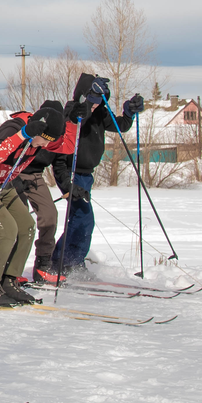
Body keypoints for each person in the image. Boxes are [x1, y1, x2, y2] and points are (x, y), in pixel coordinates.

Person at [0, 104, 71, 306]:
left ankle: (9, 280)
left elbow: (68, 146)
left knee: (26, 226)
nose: (44, 145)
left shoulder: (42, 140)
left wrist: (77, 118)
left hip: (3, 183)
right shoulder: (14, 127)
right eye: (44, 139)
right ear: (38, 129)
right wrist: (24, 134)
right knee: (5, 230)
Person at [53, 74, 143, 280]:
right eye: (92, 101)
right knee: (83, 219)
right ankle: (63, 263)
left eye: (100, 101)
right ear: (84, 97)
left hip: (86, 175)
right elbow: (71, 127)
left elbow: (120, 125)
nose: (95, 106)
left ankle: (70, 262)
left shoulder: (100, 112)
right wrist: (86, 105)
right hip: (70, 172)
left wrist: (129, 111)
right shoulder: (72, 111)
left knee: (81, 220)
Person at [10, 100, 65, 282]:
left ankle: (42, 266)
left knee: (50, 215)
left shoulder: (56, 135)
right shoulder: (29, 128)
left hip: (35, 176)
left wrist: (68, 187)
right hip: (14, 174)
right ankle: (10, 269)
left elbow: (59, 164)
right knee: (21, 220)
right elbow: (8, 154)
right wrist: (14, 178)